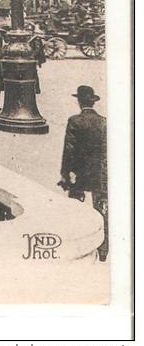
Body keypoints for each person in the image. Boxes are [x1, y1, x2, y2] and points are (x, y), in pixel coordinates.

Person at [60, 85, 108, 262]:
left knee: (75, 207)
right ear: (93, 102)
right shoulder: (103, 121)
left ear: (79, 102)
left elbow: (69, 150)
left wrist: (65, 173)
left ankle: (76, 241)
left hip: (79, 172)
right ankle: (104, 250)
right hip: (99, 172)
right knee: (102, 207)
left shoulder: (74, 121)